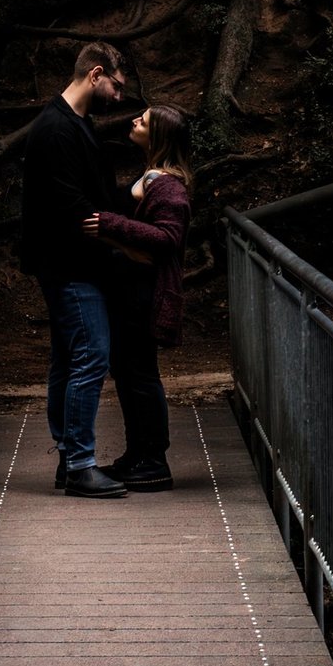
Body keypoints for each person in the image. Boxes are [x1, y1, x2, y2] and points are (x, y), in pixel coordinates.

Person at [20, 40, 130, 500]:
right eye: (117, 87)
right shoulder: (57, 129)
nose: (119, 97)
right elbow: (76, 207)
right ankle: (80, 463)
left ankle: (71, 459)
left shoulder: (74, 123)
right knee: (90, 357)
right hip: (69, 265)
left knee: (68, 359)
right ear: (96, 73)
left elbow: (95, 199)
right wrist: (113, 231)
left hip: (69, 262)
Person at [82, 104, 192, 492]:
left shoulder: (168, 185)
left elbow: (167, 238)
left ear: (159, 134)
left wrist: (110, 224)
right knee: (127, 373)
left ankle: (154, 461)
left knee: (141, 374)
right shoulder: (152, 177)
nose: (134, 121)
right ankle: (136, 455)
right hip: (129, 291)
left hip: (144, 295)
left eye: (143, 120)